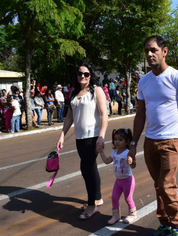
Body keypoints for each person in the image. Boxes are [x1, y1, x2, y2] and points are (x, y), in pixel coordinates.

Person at [128, 35, 178, 236]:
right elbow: (140, 115)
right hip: (150, 141)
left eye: (153, 50)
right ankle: (165, 224)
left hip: (170, 141)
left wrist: (177, 129)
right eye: (146, 51)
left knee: (167, 185)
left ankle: (177, 227)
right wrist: (133, 143)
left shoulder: (177, 77)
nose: (149, 54)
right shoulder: (144, 81)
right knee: (158, 185)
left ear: (164, 51)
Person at [56, 62, 108, 220]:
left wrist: (101, 136)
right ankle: (97, 197)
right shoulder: (73, 93)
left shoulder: (96, 90)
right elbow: (70, 117)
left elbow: (104, 114)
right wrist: (62, 134)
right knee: (91, 169)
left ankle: (92, 205)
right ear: (76, 75)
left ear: (91, 76)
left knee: (86, 169)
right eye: (80, 73)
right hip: (79, 138)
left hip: (92, 136)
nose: (83, 76)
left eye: (86, 74)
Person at [99, 128, 137, 225]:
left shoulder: (128, 152)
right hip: (118, 181)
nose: (117, 142)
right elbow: (107, 161)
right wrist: (101, 152)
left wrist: (131, 162)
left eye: (120, 139)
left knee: (128, 198)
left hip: (127, 180)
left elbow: (134, 165)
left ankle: (132, 214)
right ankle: (116, 215)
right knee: (114, 197)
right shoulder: (115, 152)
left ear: (127, 141)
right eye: (115, 139)